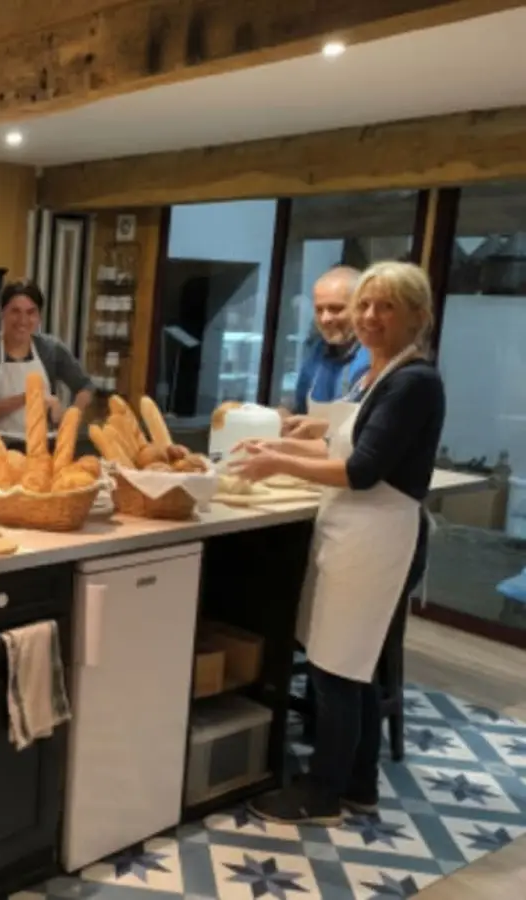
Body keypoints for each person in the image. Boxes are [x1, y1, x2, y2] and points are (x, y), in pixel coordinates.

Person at [230, 261, 445, 826]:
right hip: (351, 531)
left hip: (373, 537)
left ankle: (322, 795)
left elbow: (362, 470)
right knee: (355, 667)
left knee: (336, 670)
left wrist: (278, 460)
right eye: (366, 305)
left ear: (417, 316)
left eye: (387, 306)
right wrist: (270, 448)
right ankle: (360, 783)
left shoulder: (414, 382)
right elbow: (337, 447)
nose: (370, 317)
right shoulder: (375, 373)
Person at [0, 279, 93, 433]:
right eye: (15, 311)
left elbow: (85, 386)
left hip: (43, 447)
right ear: (0, 312)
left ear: (39, 316)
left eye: (31, 312)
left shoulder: (50, 350)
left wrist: (70, 420)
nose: (23, 320)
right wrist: (29, 397)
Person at [282, 266, 371, 439]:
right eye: (319, 310)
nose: (326, 319)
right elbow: (299, 406)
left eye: (336, 309)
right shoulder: (317, 352)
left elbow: (367, 433)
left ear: (362, 309)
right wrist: (281, 414)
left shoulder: (374, 358)